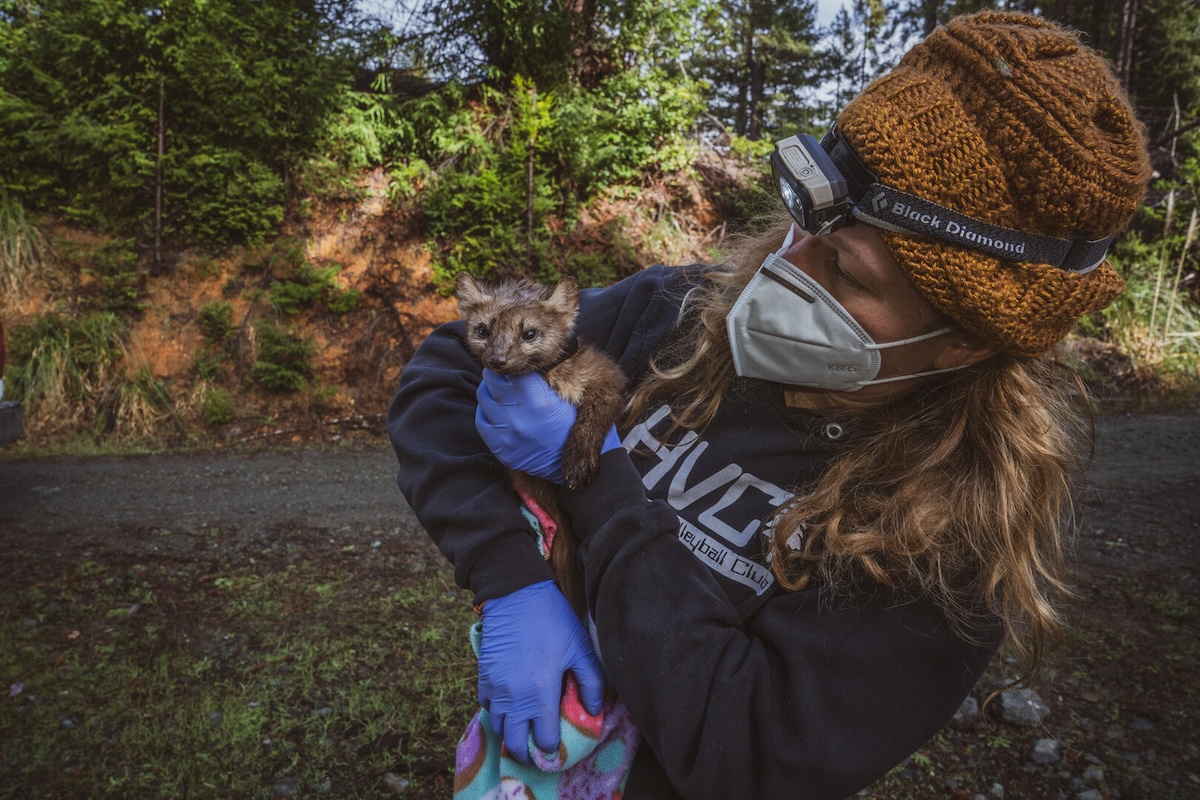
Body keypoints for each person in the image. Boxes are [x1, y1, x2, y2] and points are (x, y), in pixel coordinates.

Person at [388, 11, 1151, 799]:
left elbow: (751, 751)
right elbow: (446, 370)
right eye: (806, 220)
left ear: (966, 343)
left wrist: (598, 479)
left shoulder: (950, 548)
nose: (784, 270)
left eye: (848, 275)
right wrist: (511, 578)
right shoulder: (674, 311)